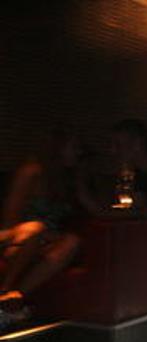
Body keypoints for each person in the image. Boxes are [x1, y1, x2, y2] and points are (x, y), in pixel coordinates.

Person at [0, 127, 85, 329]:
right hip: (19, 240)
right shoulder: (31, 172)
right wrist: (37, 233)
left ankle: (13, 298)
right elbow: (8, 224)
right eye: (74, 147)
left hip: (46, 243)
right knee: (35, 229)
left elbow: (89, 210)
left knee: (72, 242)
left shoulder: (65, 178)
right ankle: (4, 290)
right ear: (58, 148)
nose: (79, 152)